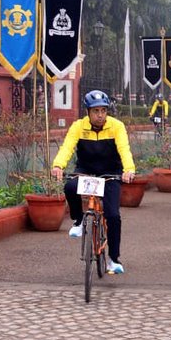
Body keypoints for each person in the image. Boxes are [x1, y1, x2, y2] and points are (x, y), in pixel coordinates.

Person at [51, 91, 136, 274]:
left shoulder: (117, 126)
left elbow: (124, 149)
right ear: (88, 112)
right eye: (96, 111)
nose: (100, 115)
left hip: (111, 173)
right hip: (86, 171)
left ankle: (113, 259)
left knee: (113, 216)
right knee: (70, 187)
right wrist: (58, 165)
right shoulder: (78, 126)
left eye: (103, 110)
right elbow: (67, 147)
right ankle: (79, 220)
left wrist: (129, 169)